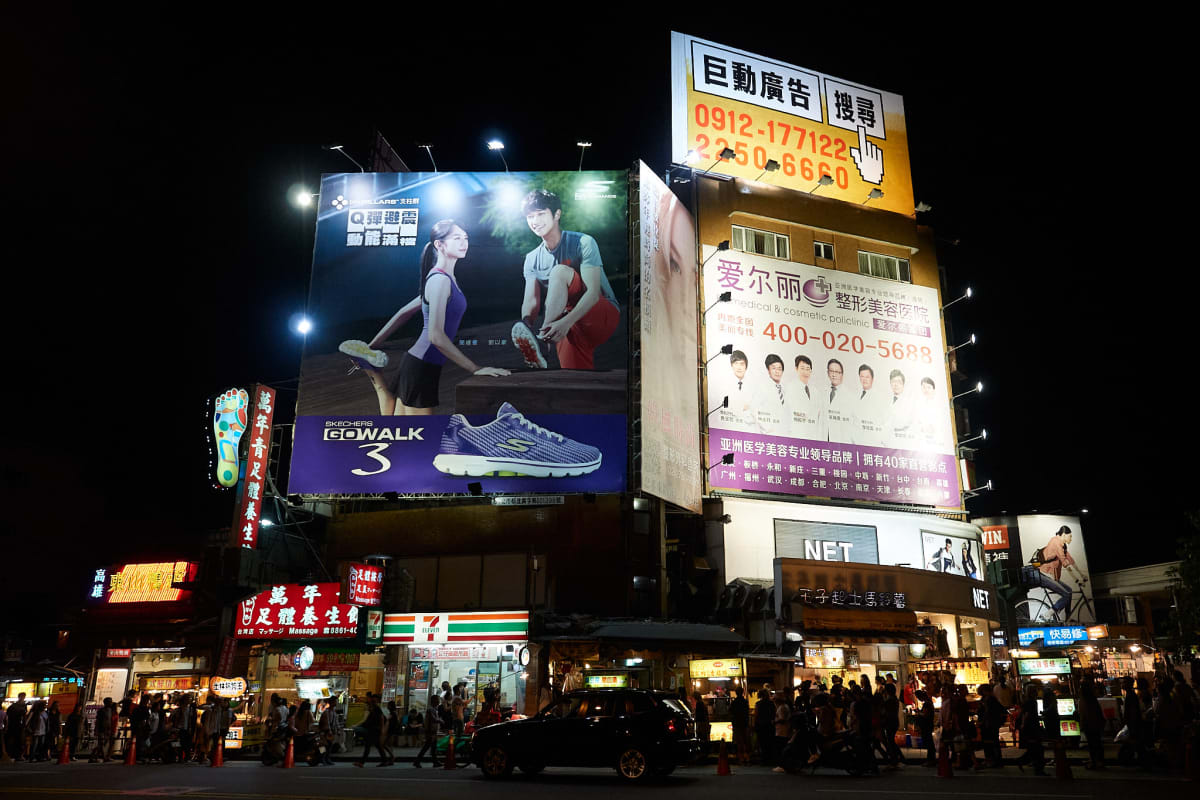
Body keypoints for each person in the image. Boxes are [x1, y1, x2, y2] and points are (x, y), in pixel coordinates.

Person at [343, 219, 510, 415]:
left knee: (396, 427)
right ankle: (372, 368)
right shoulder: (439, 280)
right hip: (420, 367)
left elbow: (403, 312)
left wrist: (372, 346)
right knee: (416, 436)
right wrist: (475, 368)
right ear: (439, 244)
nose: (464, 242)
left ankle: (371, 368)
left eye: (465, 238)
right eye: (457, 238)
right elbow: (436, 336)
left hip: (420, 364)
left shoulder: (443, 278)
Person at [512, 188, 619, 370]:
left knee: (559, 272)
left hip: (600, 314)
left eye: (540, 214)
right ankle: (541, 342)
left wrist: (563, 323)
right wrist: (526, 326)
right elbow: (531, 300)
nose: (535, 221)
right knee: (575, 381)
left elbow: (593, 293)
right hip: (567, 323)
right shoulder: (531, 259)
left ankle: (543, 344)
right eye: (530, 217)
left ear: (557, 214)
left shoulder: (583, 242)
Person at [1024, 525, 1086, 620]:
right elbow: (1065, 563)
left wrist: (1081, 575)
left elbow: (1070, 560)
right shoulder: (1056, 543)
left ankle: (1068, 618)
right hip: (1044, 575)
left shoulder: (1062, 545)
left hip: (1051, 576)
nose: (1071, 539)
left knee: (1069, 590)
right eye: (1070, 536)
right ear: (1064, 535)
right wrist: (1077, 580)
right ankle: (1047, 615)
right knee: (1067, 594)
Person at [788, 354, 824, 440]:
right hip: (796, 436)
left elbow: (819, 415)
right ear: (796, 369)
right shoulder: (790, 388)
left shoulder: (815, 391)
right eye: (802, 368)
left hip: (813, 437)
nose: (805, 372)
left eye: (808, 369)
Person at [851, 364, 887, 445]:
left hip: (871, 442)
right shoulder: (856, 395)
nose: (864, 380)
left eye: (867, 377)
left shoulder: (879, 397)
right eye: (862, 376)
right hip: (856, 440)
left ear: (872, 379)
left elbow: (884, 422)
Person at [1014, 685, 1046, 775]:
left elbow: (1024, 714)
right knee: (1037, 748)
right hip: (1032, 727)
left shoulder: (1027, 701)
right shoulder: (1032, 702)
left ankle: (1024, 761)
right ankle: (1037, 768)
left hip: (1030, 727)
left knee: (1034, 748)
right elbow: (1026, 715)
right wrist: (1024, 724)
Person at [754, 354, 789, 434]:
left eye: (779, 369)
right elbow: (755, 410)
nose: (777, 371)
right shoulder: (763, 388)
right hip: (768, 434)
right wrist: (768, 429)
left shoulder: (783, 390)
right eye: (773, 368)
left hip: (784, 434)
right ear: (768, 370)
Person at [823, 359, 855, 442]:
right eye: (831, 371)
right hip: (823, 442)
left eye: (837, 372)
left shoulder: (850, 397)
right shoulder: (823, 393)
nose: (834, 375)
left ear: (842, 374)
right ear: (827, 373)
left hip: (841, 442)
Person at [885, 368, 917, 447]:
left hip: (901, 443)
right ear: (890, 383)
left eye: (899, 382)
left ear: (903, 384)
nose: (896, 385)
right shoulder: (885, 400)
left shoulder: (909, 403)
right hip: (885, 442)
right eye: (893, 382)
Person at [354, 693, 387, 768]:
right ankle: (384, 761)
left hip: (374, 730)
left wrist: (382, 730)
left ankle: (362, 762)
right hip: (372, 730)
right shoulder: (373, 708)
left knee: (370, 746)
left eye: (375, 699)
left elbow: (381, 719)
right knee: (375, 746)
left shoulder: (376, 708)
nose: (373, 701)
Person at [1078, 679, 1105, 769]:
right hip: (1094, 724)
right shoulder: (1090, 698)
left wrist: (1082, 723)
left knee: (1093, 744)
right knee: (1096, 743)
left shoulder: (1085, 698)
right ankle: (1098, 761)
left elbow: (1085, 712)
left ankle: (1095, 762)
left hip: (1090, 724)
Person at [978, 683, 1005, 768]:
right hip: (990, 724)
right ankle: (992, 759)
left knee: (990, 742)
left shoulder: (989, 700)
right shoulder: (990, 699)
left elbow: (987, 712)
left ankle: (992, 760)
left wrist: (983, 721)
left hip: (989, 724)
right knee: (990, 742)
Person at [412, 695, 442, 768]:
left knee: (433, 747)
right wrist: (441, 721)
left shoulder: (434, 709)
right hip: (430, 732)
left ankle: (435, 762)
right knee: (426, 747)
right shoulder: (431, 709)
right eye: (437, 700)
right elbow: (434, 719)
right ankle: (417, 761)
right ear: (434, 701)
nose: (438, 701)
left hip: (433, 731)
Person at [914, 690, 936, 766]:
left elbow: (925, 714)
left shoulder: (927, 703)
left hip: (927, 725)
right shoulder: (928, 702)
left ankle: (930, 760)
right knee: (929, 742)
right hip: (928, 724)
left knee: (929, 742)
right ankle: (930, 759)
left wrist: (918, 713)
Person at [730, 686, 751, 766]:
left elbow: (730, 712)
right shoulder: (745, 701)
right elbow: (747, 712)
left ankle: (741, 759)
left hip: (737, 724)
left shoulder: (734, 702)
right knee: (746, 741)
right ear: (742, 692)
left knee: (739, 742)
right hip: (745, 723)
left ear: (736, 693)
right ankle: (747, 758)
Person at [754, 689, 775, 765]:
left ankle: (764, 759)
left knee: (762, 743)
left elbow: (756, 715)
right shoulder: (771, 703)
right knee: (769, 742)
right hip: (769, 725)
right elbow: (773, 714)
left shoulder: (758, 704)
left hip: (760, 725)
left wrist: (755, 725)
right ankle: (770, 758)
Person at [91, 698, 114, 763]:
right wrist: (96, 730)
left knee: (104, 744)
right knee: (101, 744)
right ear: (106, 703)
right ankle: (99, 756)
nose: (111, 703)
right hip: (101, 729)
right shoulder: (101, 711)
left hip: (107, 730)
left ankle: (97, 756)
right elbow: (98, 721)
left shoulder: (110, 710)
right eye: (110, 702)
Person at [692, 692, 710, 757]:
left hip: (701, 723)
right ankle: (705, 753)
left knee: (702, 738)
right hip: (704, 723)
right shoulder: (702, 703)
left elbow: (698, 715)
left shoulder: (699, 704)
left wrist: (695, 719)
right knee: (704, 738)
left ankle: (703, 753)